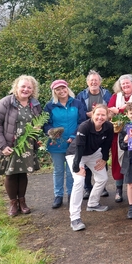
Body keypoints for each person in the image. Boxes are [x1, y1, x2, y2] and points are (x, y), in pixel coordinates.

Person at [0, 75, 43, 216]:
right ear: (16, 87)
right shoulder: (7, 102)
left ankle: (22, 202)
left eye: (29, 87)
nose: (26, 89)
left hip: (26, 145)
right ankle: (13, 204)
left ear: (33, 90)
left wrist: (37, 132)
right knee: (10, 174)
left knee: (22, 174)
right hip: (9, 145)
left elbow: (38, 122)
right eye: (23, 86)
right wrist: (2, 145)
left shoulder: (35, 104)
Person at [66, 104, 113, 231]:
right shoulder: (84, 126)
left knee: (102, 177)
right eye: (98, 114)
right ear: (93, 114)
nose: (100, 117)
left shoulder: (109, 126)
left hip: (93, 154)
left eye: (103, 115)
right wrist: (77, 167)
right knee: (79, 181)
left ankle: (92, 204)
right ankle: (75, 218)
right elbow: (79, 147)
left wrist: (104, 159)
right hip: (76, 154)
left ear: (107, 116)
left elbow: (107, 144)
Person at [44, 80, 86, 209]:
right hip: (56, 143)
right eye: (58, 89)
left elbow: (82, 121)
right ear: (54, 91)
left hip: (73, 143)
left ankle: (71, 194)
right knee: (58, 170)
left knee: (71, 170)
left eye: (63, 88)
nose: (61, 91)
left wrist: (74, 136)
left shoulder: (77, 103)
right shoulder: (50, 106)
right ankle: (58, 196)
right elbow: (46, 123)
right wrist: (51, 132)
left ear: (67, 88)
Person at [107, 74, 132, 203]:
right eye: (123, 84)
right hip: (119, 133)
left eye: (127, 83)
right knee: (118, 161)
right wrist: (117, 110)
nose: (125, 86)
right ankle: (118, 188)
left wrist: (120, 109)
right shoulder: (115, 96)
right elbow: (110, 111)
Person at [76, 70, 112, 199]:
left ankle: (102, 187)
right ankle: (87, 188)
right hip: (87, 129)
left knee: (101, 157)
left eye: (96, 80)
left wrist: (101, 115)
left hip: (103, 128)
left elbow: (110, 109)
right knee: (85, 159)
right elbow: (80, 113)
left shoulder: (106, 94)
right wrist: (92, 115)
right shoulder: (81, 95)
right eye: (91, 80)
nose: (94, 82)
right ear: (87, 82)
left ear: (100, 82)